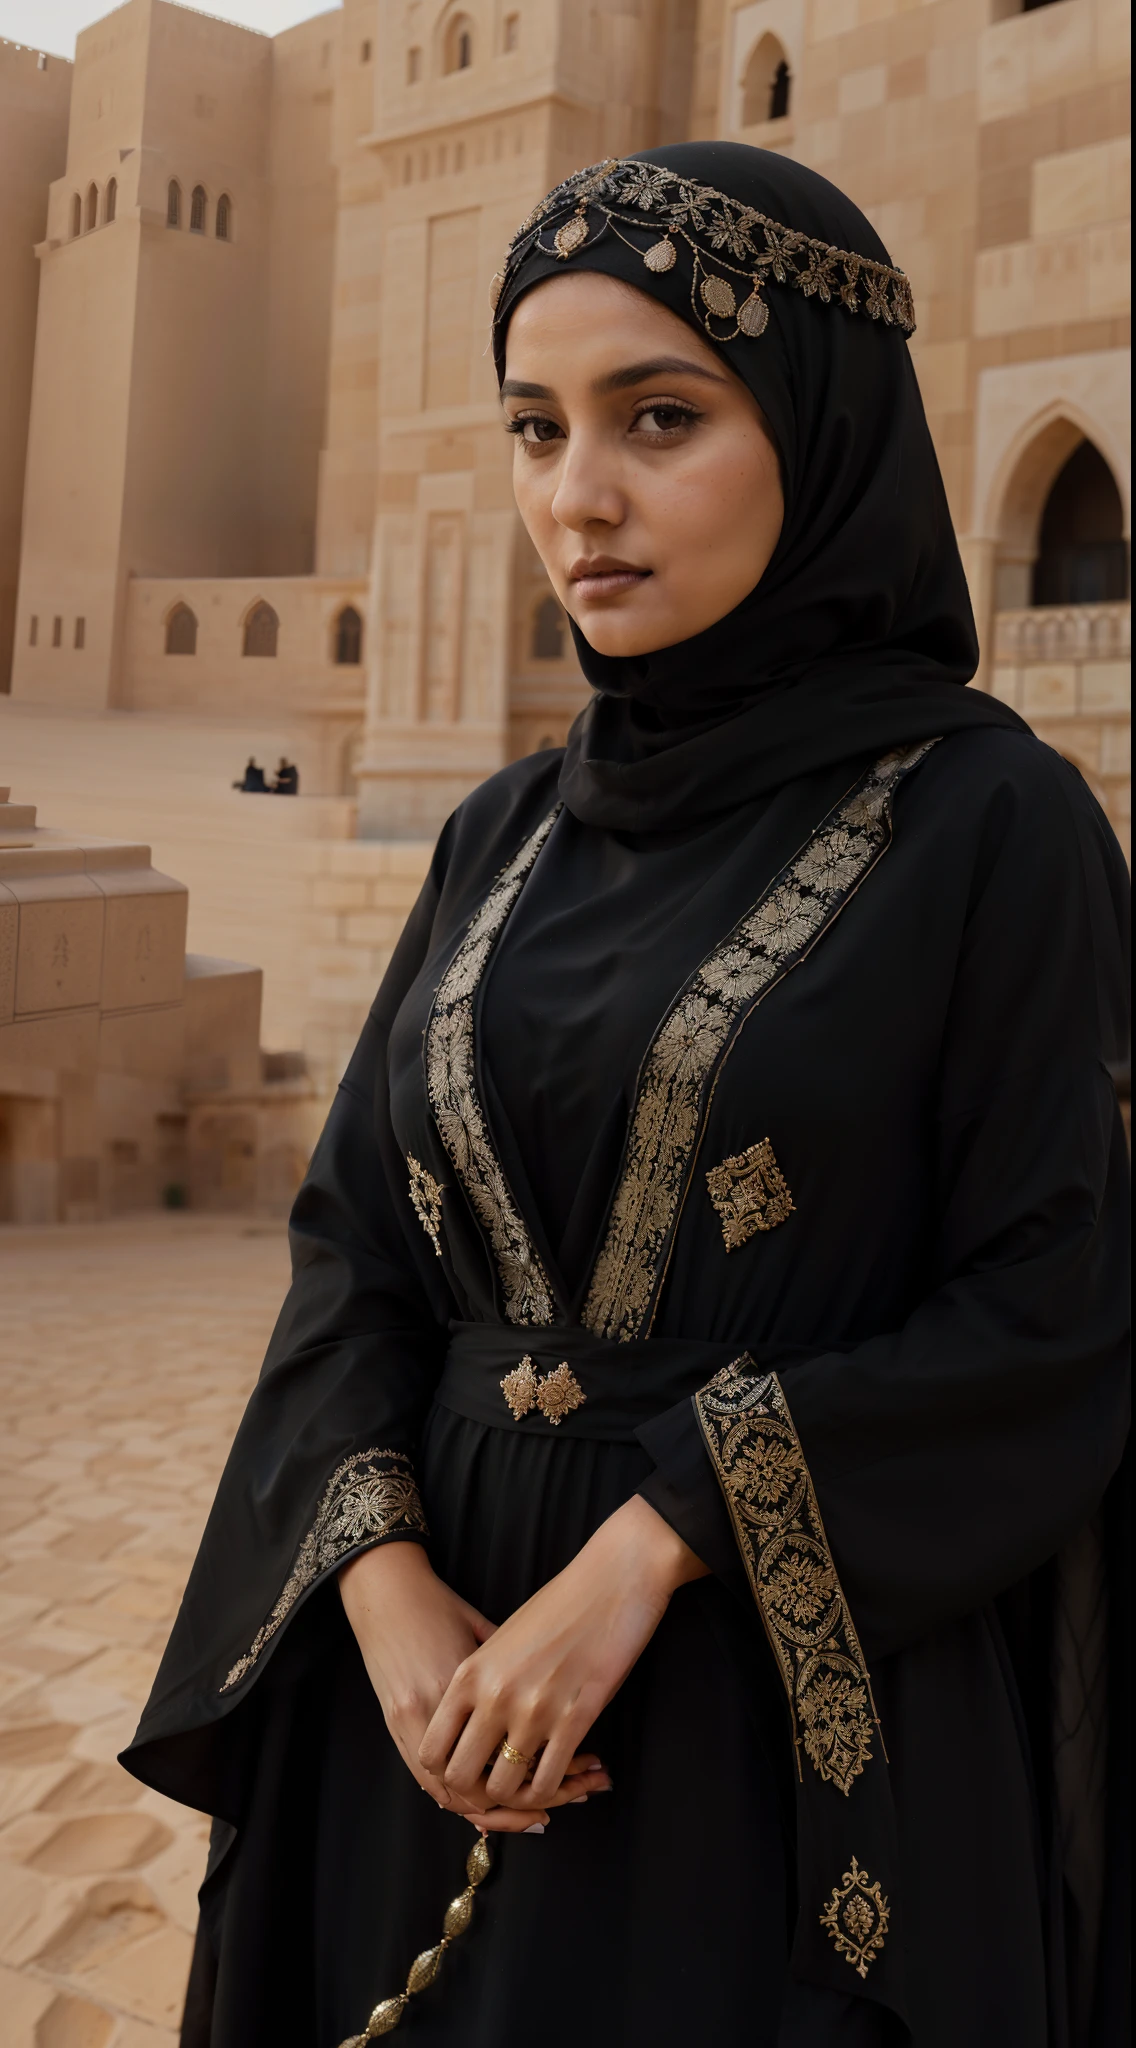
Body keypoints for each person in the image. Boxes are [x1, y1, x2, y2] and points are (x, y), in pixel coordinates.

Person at [123, 144, 1129, 2048]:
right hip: (418, 1722)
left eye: (659, 418)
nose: (575, 497)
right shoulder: (503, 834)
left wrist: (654, 1551)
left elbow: (1050, 1312)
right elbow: (352, 1250)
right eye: (533, 427)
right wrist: (391, 1598)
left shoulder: (992, 827)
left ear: (820, 434)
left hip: (771, 1737)